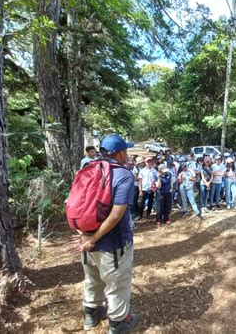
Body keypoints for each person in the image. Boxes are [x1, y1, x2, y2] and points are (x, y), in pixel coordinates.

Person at [76, 134, 139, 333]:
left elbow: (73, 206)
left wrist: (84, 235)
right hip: (113, 244)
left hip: (87, 242)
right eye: (125, 150)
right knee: (118, 283)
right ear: (120, 153)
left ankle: (91, 315)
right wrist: (93, 238)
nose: (127, 154)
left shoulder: (87, 169)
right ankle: (118, 323)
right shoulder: (123, 175)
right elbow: (116, 215)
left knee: (92, 278)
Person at [130, 156, 145, 221]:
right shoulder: (135, 168)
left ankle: (139, 213)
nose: (140, 164)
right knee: (134, 200)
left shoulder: (145, 168)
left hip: (143, 185)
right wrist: (140, 178)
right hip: (136, 185)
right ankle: (134, 213)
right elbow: (135, 178)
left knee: (141, 200)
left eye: (141, 163)